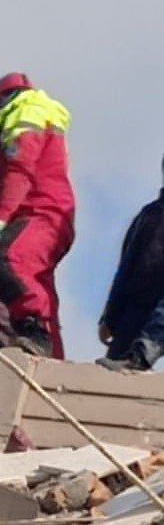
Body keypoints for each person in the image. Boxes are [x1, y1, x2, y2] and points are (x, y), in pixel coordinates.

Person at [0, 73, 75, 358]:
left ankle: (34, 331)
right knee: (38, 280)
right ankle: (50, 354)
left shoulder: (24, 114)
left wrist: (0, 216)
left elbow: (19, 169)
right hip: (51, 212)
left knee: (10, 261)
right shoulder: (42, 114)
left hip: (39, 211)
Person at [99, 155, 164, 371]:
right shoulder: (149, 215)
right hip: (136, 308)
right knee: (112, 372)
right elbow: (126, 266)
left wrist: (146, 351)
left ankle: (142, 355)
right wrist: (110, 317)